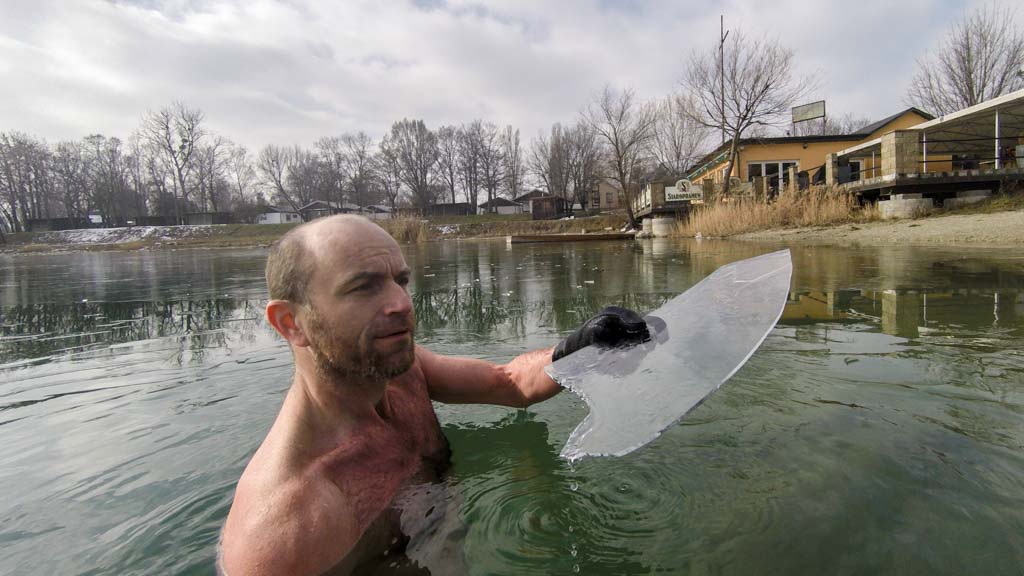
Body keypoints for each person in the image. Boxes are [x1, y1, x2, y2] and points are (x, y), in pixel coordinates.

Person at [219, 215, 648, 575]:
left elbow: (510, 382)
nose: (401, 303)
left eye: (400, 281)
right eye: (363, 287)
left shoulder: (405, 371)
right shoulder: (285, 530)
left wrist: (580, 347)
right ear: (291, 323)